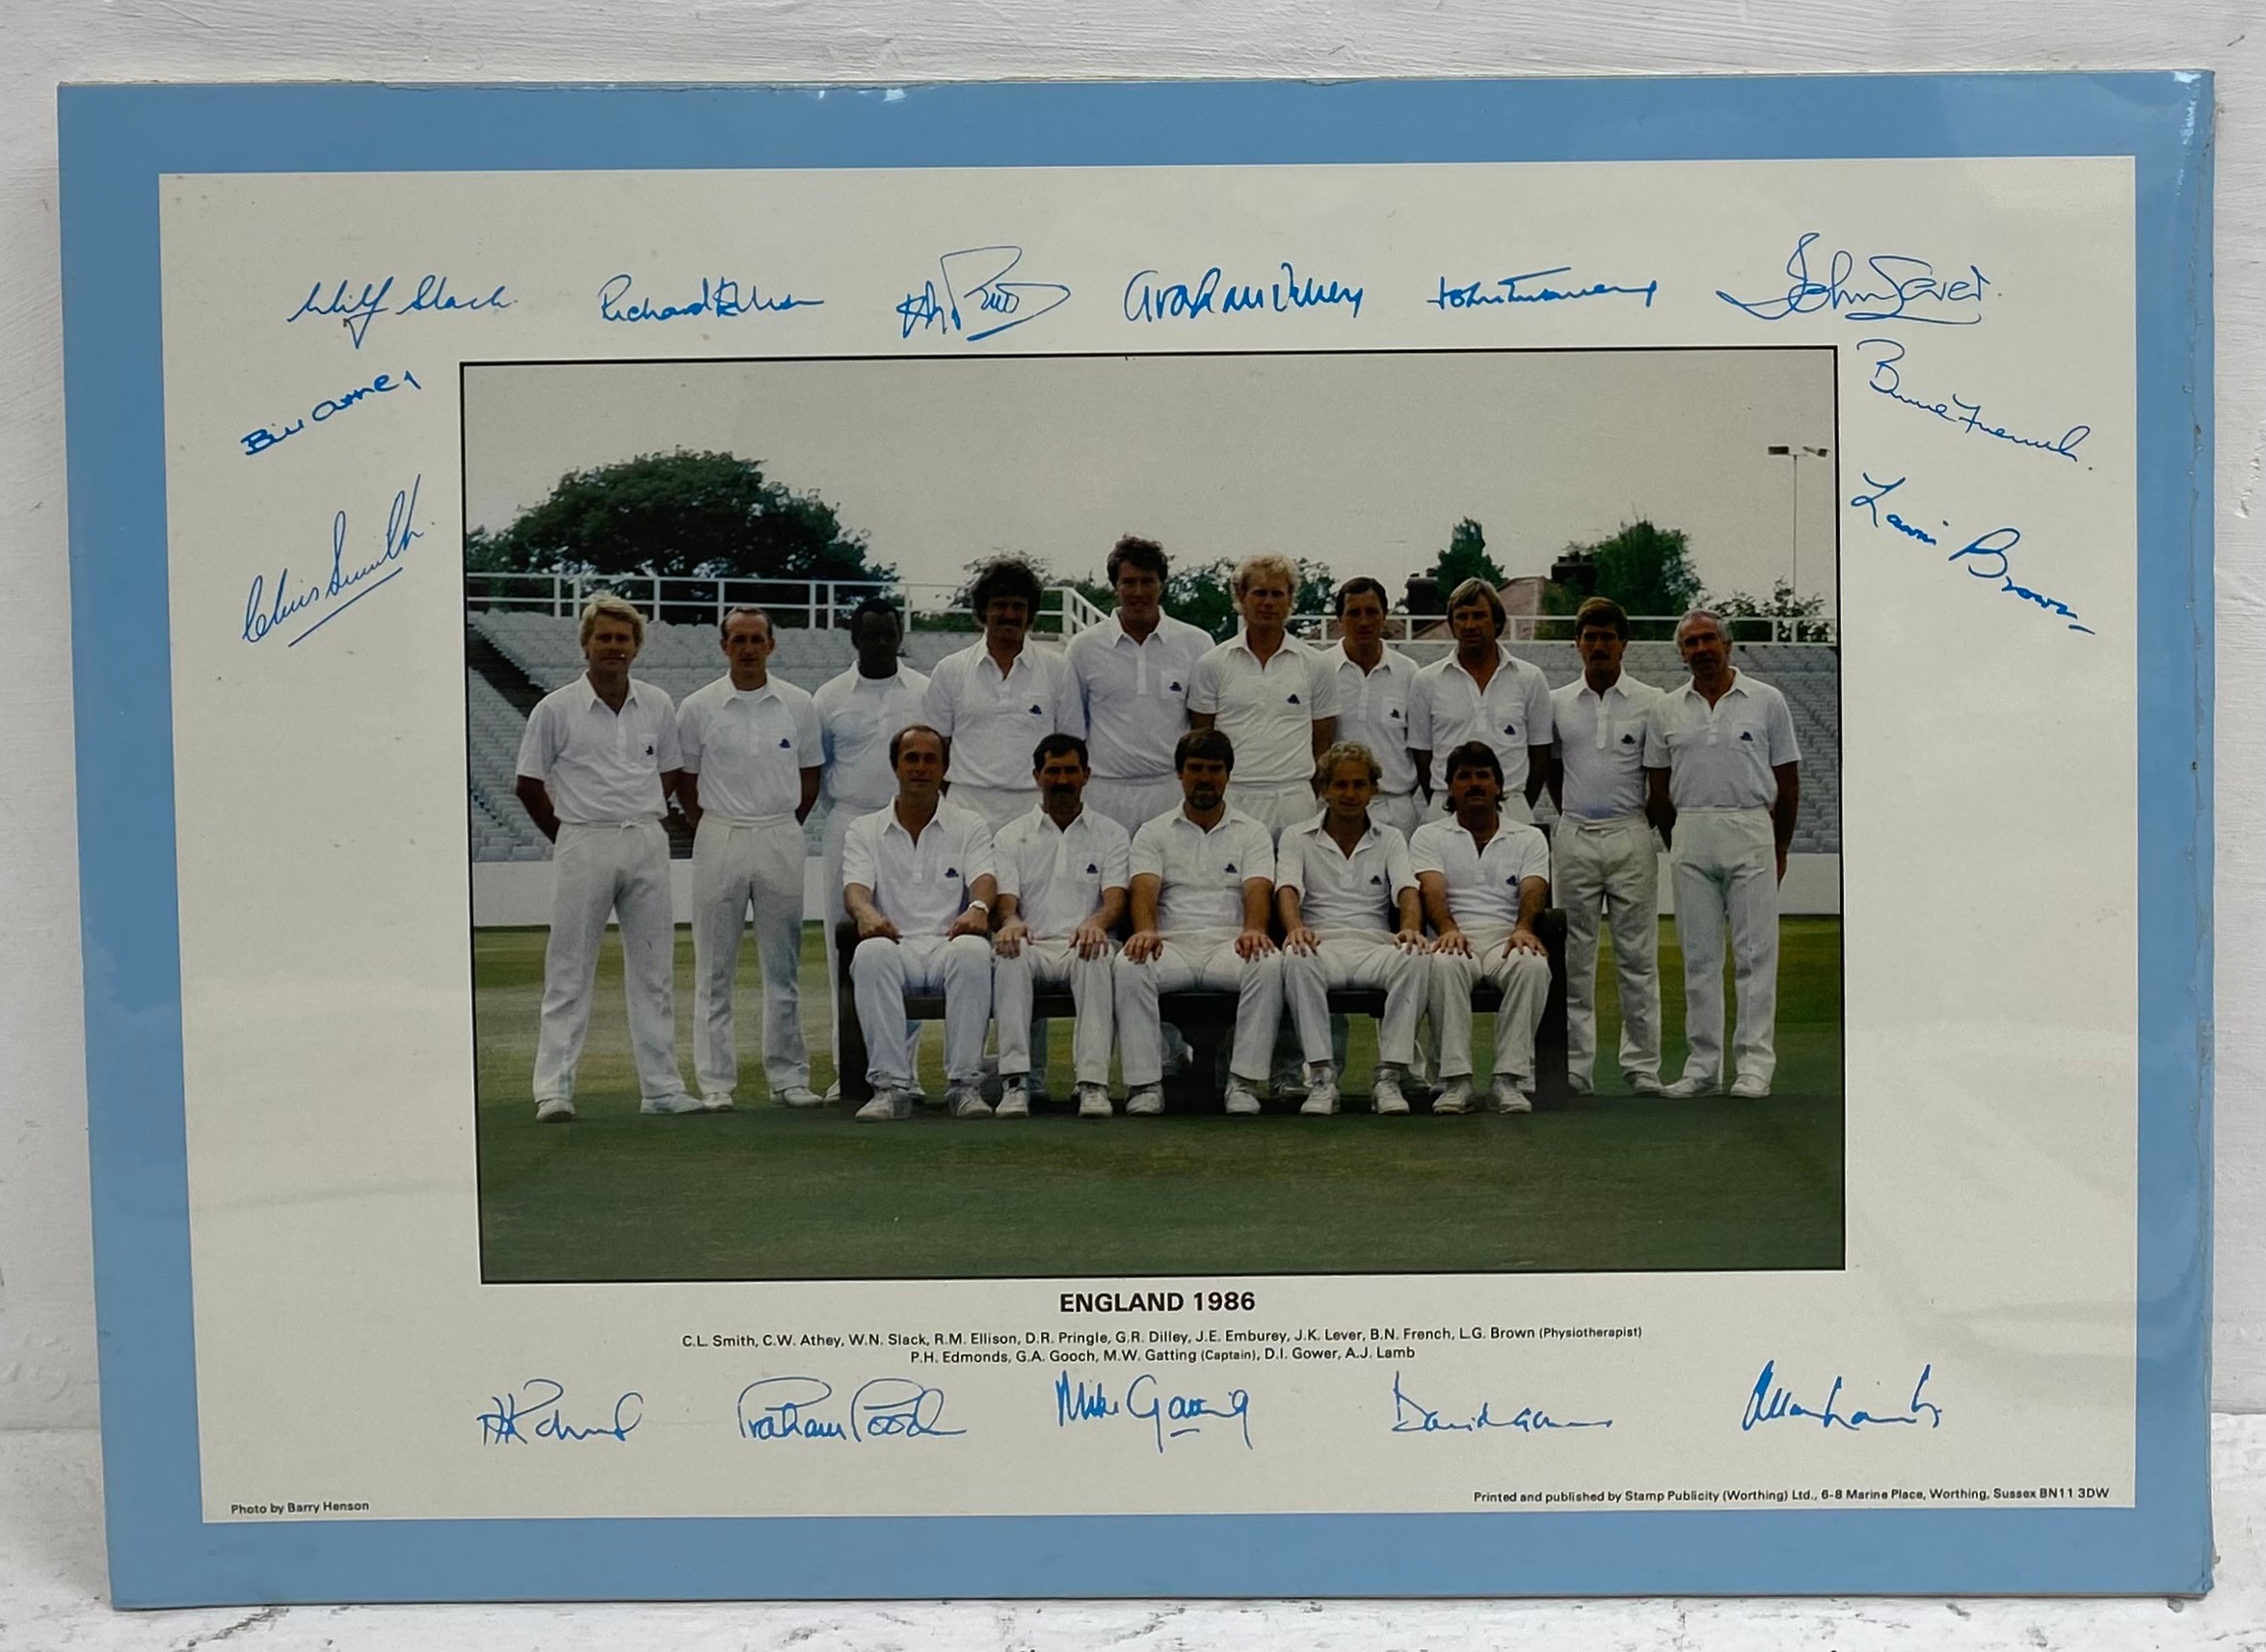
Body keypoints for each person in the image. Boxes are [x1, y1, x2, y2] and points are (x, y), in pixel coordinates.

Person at [514, 595, 700, 1121]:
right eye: (604, 638)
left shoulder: (658, 704)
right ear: (586, 644)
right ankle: (554, 1089)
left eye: (623, 639)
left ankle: (661, 1089)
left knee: (654, 968)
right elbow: (528, 783)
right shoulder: (554, 708)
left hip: (645, 838)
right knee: (569, 969)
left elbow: (667, 772)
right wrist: (569, 833)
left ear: (636, 647)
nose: (613, 648)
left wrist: (638, 810)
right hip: (584, 840)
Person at [1644, 609, 1800, 1100]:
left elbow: (1789, 780)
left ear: (1727, 645)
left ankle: (1754, 1065)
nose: (1700, 650)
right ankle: (1703, 1065)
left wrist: (1779, 846)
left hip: (1750, 823)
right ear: (1681, 653)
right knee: (1699, 956)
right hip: (1691, 827)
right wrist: (1680, 841)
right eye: (1690, 643)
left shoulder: (1766, 701)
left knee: (1756, 954)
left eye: (1708, 639)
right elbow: (1658, 790)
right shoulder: (1667, 709)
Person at [676, 606, 824, 1110]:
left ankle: (788, 1078)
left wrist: (778, 823)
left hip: (780, 833)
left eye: (756, 639)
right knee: (714, 968)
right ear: (723, 647)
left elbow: (809, 779)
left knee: (781, 967)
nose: (747, 648)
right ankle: (716, 1083)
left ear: (771, 645)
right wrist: (717, 826)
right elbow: (687, 785)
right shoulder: (698, 707)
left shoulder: (799, 705)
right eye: (737, 639)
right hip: (720, 834)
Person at [1113, 730, 1286, 1116]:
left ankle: (1242, 1083)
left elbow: (1257, 890)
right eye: (1195, 768)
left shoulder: (1252, 832)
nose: (1204, 777)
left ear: (1227, 775)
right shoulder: (1153, 831)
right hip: (1171, 945)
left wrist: (1254, 930)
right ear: (1180, 773)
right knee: (1128, 964)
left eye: (1214, 769)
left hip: (1229, 946)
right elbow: (1144, 891)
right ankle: (1146, 1084)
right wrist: (1145, 931)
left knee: (1269, 962)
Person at [841, 726, 999, 1122]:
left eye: (931, 759)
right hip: (896, 943)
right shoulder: (865, 829)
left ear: (945, 768)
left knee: (973, 952)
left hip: (950, 941)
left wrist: (978, 907)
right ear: (895, 766)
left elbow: (984, 877)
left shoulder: (970, 825)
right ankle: (891, 1087)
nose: (921, 768)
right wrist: (866, 913)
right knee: (870, 954)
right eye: (911, 758)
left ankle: (964, 1086)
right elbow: (856, 889)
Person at [1545, 596, 1666, 1098]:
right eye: (1589, 638)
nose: (1598, 646)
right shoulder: (1556, 704)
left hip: (1630, 833)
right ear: (1577, 645)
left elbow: (1659, 775)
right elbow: (1552, 772)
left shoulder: (1651, 700)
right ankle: (1576, 1067)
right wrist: (1577, 814)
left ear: (1623, 644)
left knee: (1638, 956)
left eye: (1607, 637)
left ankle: (1642, 1067)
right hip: (1574, 834)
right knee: (1574, 958)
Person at [813, 599, 931, 1093]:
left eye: (889, 634)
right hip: (848, 821)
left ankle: (905, 1071)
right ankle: (851, 1072)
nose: (881, 643)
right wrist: (850, 813)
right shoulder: (829, 696)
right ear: (854, 638)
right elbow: (819, 773)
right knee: (844, 944)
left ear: (899, 634)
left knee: (912, 937)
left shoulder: (925, 692)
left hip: (910, 825)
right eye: (871, 635)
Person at [1276, 743, 1427, 1116]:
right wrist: (1295, 929)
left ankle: (1390, 1076)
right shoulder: (1296, 836)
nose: (1349, 794)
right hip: (1320, 944)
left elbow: (1407, 888)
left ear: (1373, 790)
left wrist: (1409, 928)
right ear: (1324, 788)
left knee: (1416, 956)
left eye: (1359, 785)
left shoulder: (1391, 837)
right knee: (1296, 956)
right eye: (1340, 785)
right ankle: (1321, 1078)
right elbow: (1287, 889)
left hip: (1374, 945)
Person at [991, 733, 1130, 1119]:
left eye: (1071, 770)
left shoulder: (1111, 834)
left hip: (1082, 942)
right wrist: (1012, 921)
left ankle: (1092, 1084)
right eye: (1053, 771)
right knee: (1009, 953)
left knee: (1096, 953)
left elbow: (1115, 899)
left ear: (1086, 775)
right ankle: (1016, 1082)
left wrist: (1096, 923)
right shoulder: (1010, 835)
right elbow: (1006, 901)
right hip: (1033, 944)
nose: (1063, 779)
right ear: (1037, 775)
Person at [1411, 741, 1553, 1114]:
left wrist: (1524, 928)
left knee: (1533, 965)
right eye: (1464, 777)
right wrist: (1446, 928)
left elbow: (1534, 888)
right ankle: (1455, 1081)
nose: (1474, 784)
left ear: (1499, 786)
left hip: (1507, 935)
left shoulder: (1528, 837)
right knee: (1443, 963)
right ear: (1450, 786)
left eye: (1483, 776)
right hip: (1455, 935)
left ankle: (1509, 1080)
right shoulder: (1429, 836)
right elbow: (1432, 888)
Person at [1066, 535, 1213, 838]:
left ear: (1162, 584)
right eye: (1128, 582)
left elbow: (1202, 728)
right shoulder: (1083, 647)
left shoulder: (1196, 643)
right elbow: (1073, 726)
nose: (1138, 592)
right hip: (1104, 793)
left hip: (1170, 791)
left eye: (1147, 582)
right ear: (1115, 586)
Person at [925, 556, 1086, 832]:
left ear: (1030, 613)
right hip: (966, 809)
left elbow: (1072, 746)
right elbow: (935, 748)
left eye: (1018, 607)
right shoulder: (950, 670)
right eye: (1000, 605)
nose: (1009, 615)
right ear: (982, 611)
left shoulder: (1058, 669)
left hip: (1034, 809)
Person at [1187, 553, 1339, 837]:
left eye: (1276, 594)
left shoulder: (1316, 664)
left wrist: (1309, 791)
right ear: (1241, 598)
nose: (1267, 602)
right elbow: (1202, 738)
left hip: (1294, 799)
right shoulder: (1212, 663)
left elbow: (1323, 742)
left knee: (1292, 881)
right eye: (1259, 593)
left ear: (1290, 600)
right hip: (1233, 796)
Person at [1408, 578, 1554, 824]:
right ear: (1452, 625)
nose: (1470, 625)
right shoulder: (1426, 680)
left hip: (1511, 805)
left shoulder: (1530, 678)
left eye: (1479, 616)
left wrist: (1514, 804)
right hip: (1447, 807)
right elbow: (1422, 756)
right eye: (1462, 617)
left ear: (1496, 621)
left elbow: (1540, 755)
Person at [1327, 578, 1424, 837]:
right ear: (1339, 619)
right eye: (1354, 613)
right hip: (1334, 808)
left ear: (1384, 616)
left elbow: (1420, 747)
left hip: (1395, 809)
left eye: (1372, 612)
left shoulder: (1409, 673)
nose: (1364, 621)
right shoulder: (1319, 670)